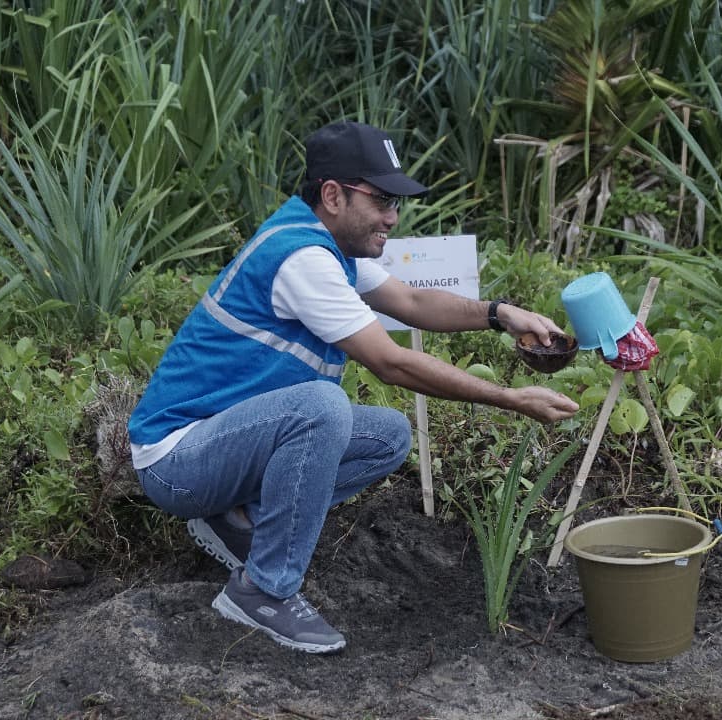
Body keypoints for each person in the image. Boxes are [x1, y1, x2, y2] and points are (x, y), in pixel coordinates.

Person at [127, 121, 579, 654]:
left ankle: (237, 519)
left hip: (224, 443)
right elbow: (392, 364)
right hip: (178, 462)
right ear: (333, 195)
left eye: (395, 202)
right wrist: (508, 399)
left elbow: (412, 303)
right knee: (322, 408)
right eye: (381, 199)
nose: (392, 217)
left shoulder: (328, 245)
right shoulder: (302, 260)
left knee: (388, 436)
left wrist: (501, 314)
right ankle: (263, 591)